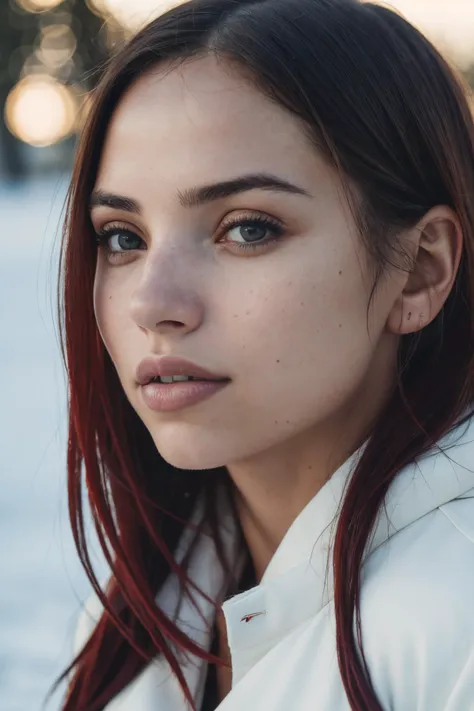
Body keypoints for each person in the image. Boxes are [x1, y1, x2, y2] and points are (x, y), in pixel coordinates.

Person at [51, 0, 474, 709]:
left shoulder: (453, 627)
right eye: (122, 236)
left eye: (247, 228)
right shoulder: (141, 613)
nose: (152, 304)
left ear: (420, 269)